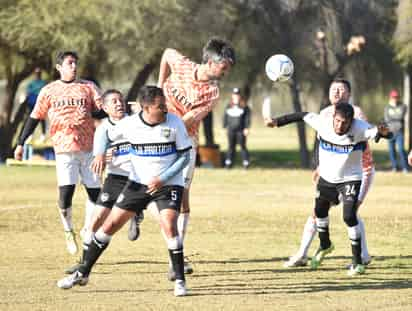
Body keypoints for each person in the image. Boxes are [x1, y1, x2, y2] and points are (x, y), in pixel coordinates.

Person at [57, 86, 192, 296]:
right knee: (108, 225)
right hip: (137, 184)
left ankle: (180, 281)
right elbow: (103, 131)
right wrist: (100, 153)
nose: (165, 109)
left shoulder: (174, 122)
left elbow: (184, 157)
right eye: (160, 106)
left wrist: (162, 178)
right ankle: (82, 273)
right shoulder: (130, 125)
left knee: (169, 224)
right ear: (146, 108)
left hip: (168, 184)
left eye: (164, 105)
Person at [130, 37, 234, 279]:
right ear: (210, 61)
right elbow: (166, 52)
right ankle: (137, 207)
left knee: (182, 200)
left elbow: (188, 120)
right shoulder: (184, 65)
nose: (226, 71)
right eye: (225, 66)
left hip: (183, 143)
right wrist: (157, 88)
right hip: (155, 136)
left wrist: (162, 122)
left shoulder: (212, 92)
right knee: (151, 184)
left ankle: (175, 255)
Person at [265, 102, 391, 276]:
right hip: (327, 178)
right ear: (333, 118)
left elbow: (381, 133)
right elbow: (301, 115)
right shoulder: (322, 122)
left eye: (345, 123)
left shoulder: (360, 128)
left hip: (350, 178)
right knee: (319, 212)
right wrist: (277, 122)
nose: (340, 126)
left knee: (349, 216)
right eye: (338, 121)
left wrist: (386, 133)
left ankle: (357, 262)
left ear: (351, 122)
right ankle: (325, 245)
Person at [14, 51, 102, 256]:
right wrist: (20, 143)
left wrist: (111, 109)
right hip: (64, 150)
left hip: (89, 148)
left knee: (95, 194)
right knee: (66, 195)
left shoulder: (88, 87)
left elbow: (100, 111)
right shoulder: (49, 91)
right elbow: (34, 118)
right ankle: (68, 229)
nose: (73, 66)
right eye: (70, 63)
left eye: (75, 63)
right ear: (59, 67)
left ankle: (88, 230)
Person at [283, 78, 374, 268]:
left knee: (351, 213)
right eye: (333, 89)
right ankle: (303, 253)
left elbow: (361, 140)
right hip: (331, 172)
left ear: (349, 94)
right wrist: (319, 166)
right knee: (318, 211)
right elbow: (320, 142)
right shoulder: (325, 114)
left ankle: (362, 257)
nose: (337, 92)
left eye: (341, 89)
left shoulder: (356, 114)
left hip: (359, 172)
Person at [22, 67, 48, 160]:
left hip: (40, 104)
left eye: (39, 73)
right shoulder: (31, 83)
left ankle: (43, 135)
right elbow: (28, 93)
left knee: (42, 119)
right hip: (32, 103)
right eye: (36, 73)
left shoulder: (43, 83)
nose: (38, 75)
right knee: (32, 119)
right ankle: (30, 135)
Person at [223, 87, 251, 169]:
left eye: (237, 95)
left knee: (242, 146)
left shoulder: (244, 106)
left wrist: (246, 128)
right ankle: (229, 163)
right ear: (232, 96)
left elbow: (247, 118)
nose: (236, 96)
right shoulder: (228, 106)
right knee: (231, 146)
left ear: (240, 96)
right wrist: (224, 127)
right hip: (231, 130)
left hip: (240, 130)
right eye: (235, 95)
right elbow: (225, 117)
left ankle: (246, 163)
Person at [384, 90, 409, 172]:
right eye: (393, 97)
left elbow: (400, 116)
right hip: (390, 132)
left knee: (401, 149)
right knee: (391, 150)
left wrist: (393, 117)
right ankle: (394, 166)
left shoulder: (403, 106)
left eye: (397, 97)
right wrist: (395, 117)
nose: (395, 99)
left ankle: (405, 167)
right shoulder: (387, 107)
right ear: (390, 97)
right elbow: (387, 119)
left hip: (399, 132)